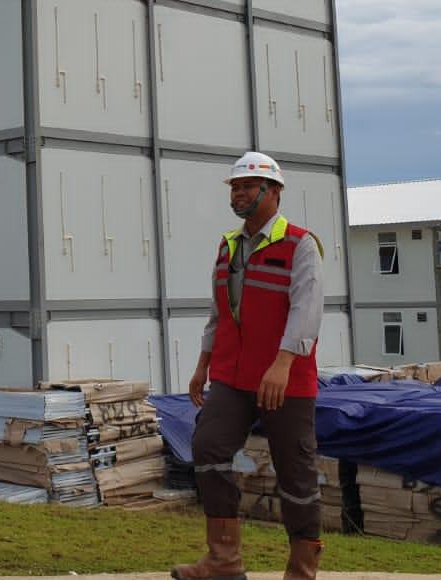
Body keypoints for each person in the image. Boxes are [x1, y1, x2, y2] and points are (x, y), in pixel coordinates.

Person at [172, 151, 325, 580]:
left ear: (273, 192)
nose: (238, 194)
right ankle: (223, 561)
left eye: (247, 186)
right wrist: (203, 365)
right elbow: (219, 313)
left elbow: (306, 311)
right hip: (231, 377)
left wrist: (282, 365)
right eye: (235, 187)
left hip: (285, 379)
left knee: (295, 471)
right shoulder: (229, 246)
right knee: (208, 448)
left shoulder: (300, 243)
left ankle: (301, 570)